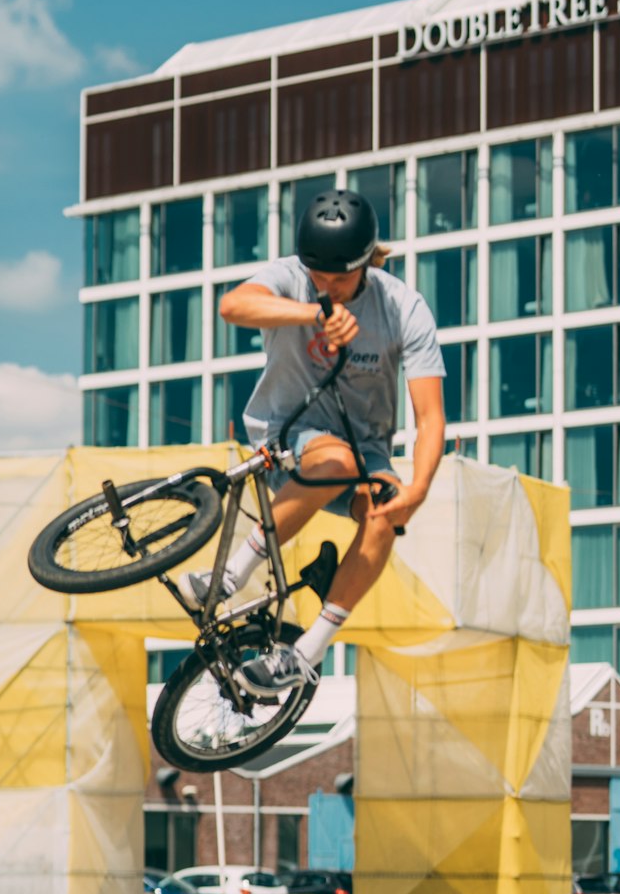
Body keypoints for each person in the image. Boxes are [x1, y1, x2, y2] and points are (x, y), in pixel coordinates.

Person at [180, 187, 446, 695]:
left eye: (340, 278)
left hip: (364, 447)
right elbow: (233, 305)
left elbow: (430, 417)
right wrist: (311, 314)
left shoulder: (403, 307)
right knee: (336, 460)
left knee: (383, 509)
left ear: (366, 261)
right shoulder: (291, 277)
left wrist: (419, 489)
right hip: (287, 429)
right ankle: (230, 577)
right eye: (318, 277)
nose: (328, 286)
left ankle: (307, 652)